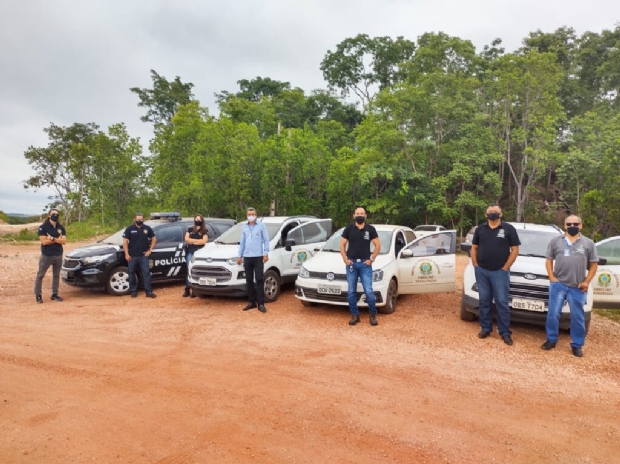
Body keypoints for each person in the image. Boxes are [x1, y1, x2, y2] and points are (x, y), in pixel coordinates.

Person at [542, 214, 598, 357]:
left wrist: (587, 281)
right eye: (569, 224)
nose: (572, 226)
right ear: (564, 226)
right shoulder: (556, 241)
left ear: (581, 225)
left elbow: (593, 264)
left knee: (577, 317)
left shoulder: (588, 243)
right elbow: (548, 260)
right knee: (553, 314)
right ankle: (551, 339)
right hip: (558, 284)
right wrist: (552, 278)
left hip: (577, 287)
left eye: (575, 224)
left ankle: (577, 345)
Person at [471, 204, 520, 345]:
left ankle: (504, 332)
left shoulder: (508, 229)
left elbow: (515, 249)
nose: (493, 213)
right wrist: (475, 265)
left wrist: (505, 267)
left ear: (501, 214)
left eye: (495, 212)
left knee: (502, 302)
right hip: (482, 271)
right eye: (490, 212)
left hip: (500, 272)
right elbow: (474, 248)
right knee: (484, 300)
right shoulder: (480, 229)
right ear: (486, 215)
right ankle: (486, 328)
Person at [340, 207, 381, 326]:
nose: (360, 215)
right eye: (357, 213)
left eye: (362, 213)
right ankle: (354, 315)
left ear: (365, 216)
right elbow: (342, 245)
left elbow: (377, 245)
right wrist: (345, 259)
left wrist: (371, 259)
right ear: (354, 216)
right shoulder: (348, 229)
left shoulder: (370, 229)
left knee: (369, 291)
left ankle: (372, 315)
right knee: (351, 291)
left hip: (365, 264)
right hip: (351, 264)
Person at [237, 208, 270, 313]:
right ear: (247, 215)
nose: (251, 216)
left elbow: (266, 240)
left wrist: (265, 253)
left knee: (259, 279)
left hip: (258, 256)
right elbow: (242, 242)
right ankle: (251, 302)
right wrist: (240, 256)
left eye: (253, 214)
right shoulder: (244, 227)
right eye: (249, 214)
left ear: (256, 215)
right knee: (249, 280)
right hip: (247, 257)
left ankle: (261, 303)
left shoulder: (261, 226)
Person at [34, 208, 67, 303]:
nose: (55, 216)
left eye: (57, 214)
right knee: (40, 275)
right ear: (49, 215)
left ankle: (55, 294)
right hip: (46, 255)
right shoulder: (43, 227)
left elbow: (64, 241)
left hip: (58, 255)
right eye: (53, 214)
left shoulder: (61, 228)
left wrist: (52, 238)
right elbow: (44, 242)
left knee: (56, 275)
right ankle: (38, 295)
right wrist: (57, 240)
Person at [122, 213, 157, 298]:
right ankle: (133, 291)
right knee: (131, 273)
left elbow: (154, 239)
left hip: (143, 256)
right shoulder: (129, 229)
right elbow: (125, 242)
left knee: (146, 273)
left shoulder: (147, 228)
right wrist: (126, 254)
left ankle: (148, 292)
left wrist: (150, 250)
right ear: (134, 219)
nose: (139, 221)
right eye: (138, 219)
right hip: (132, 256)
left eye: (141, 219)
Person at [183, 214, 209, 298]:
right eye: (196, 219)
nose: (197, 220)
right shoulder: (190, 229)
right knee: (189, 270)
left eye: (199, 219)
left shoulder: (204, 230)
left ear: (202, 220)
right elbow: (186, 239)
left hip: (199, 253)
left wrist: (192, 241)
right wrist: (198, 240)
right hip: (190, 252)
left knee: (197, 271)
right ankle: (187, 288)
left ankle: (195, 290)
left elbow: (204, 241)